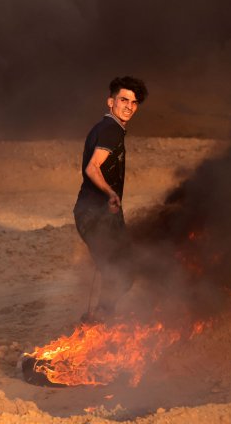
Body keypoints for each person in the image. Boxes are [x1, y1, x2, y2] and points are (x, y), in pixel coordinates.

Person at [74, 76, 148, 322]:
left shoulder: (106, 128)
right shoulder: (111, 130)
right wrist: (111, 193)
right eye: (123, 100)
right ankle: (97, 322)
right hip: (95, 214)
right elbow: (93, 168)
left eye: (134, 102)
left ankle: (99, 318)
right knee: (120, 271)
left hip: (99, 213)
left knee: (121, 268)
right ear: (110, 101)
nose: (129, 106)